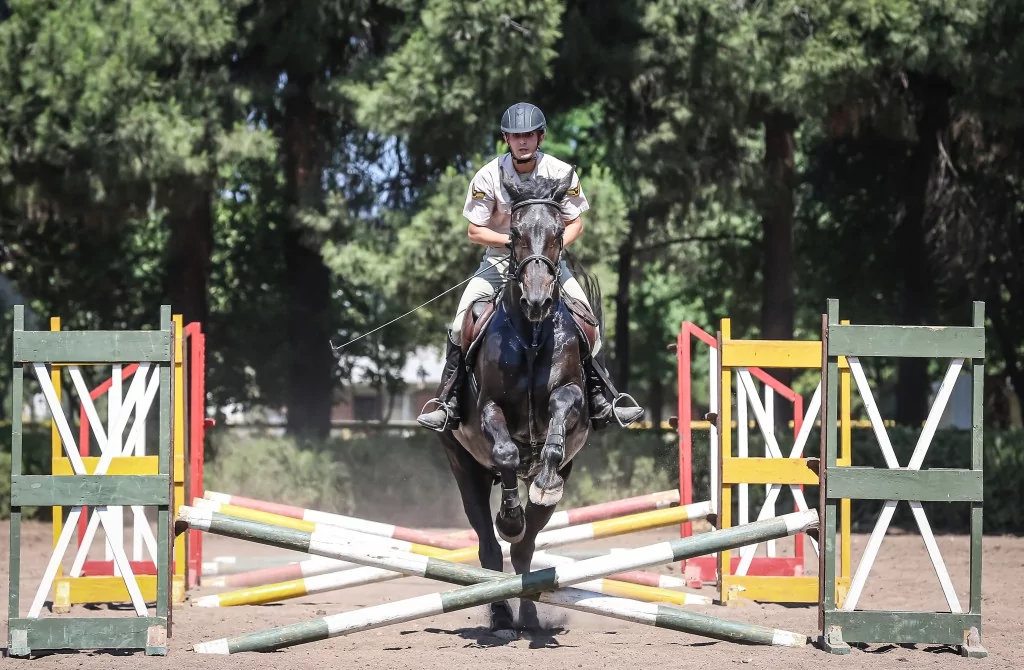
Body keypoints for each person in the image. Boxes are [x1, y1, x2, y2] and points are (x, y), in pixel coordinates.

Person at [417, 101, 645, 432]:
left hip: (548, 264)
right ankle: (448, 402)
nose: (522, 141)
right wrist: (513, 245)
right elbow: (474, 231)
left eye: (528, 135)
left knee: (587, 321)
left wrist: (546, 251)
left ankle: (601, 397)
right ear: (506, 140)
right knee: (458, 324)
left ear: (540, 137)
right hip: (499, 262)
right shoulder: (488, 176)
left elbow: (576, 222)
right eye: (515, 136)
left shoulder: (560, 172)